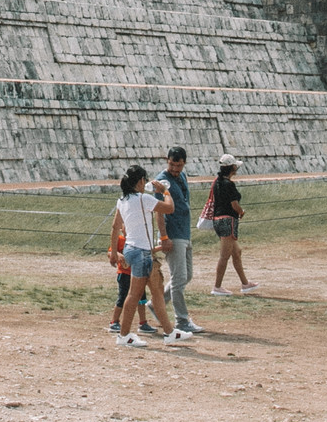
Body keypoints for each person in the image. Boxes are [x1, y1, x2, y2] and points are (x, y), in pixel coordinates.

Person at [107, 164, 190, 346]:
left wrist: (114, 251)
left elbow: (115, 227)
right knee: (134, 295)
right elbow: (169, 208)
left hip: (131, 249)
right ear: (141, 181)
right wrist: (164, 191)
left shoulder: (122, 201)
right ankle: (124, 335)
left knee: (157, 291)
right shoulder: (143, 199)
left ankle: (169, 332)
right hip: (142, 252)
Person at [153, 147, 204, 335]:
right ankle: (181, 320)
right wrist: (164, 237)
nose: (175, 169)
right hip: (173, 234)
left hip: (184, 232)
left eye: (179, 165)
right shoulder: (162, 181)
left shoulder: (182, 177)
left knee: (186, 275)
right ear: (167, 161)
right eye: (172, 165)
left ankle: (155, 305)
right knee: (179, 278)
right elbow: (158, 210)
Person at [204, 155, 255, 295]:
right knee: (224, 256)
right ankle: (217, 287)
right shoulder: (229, 184)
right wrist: (241, 212)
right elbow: (234, 205)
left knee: (236, 252)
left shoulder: (217, 182)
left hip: (218, 220)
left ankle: (245, 283)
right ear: (232, 167)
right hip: (228, 220)